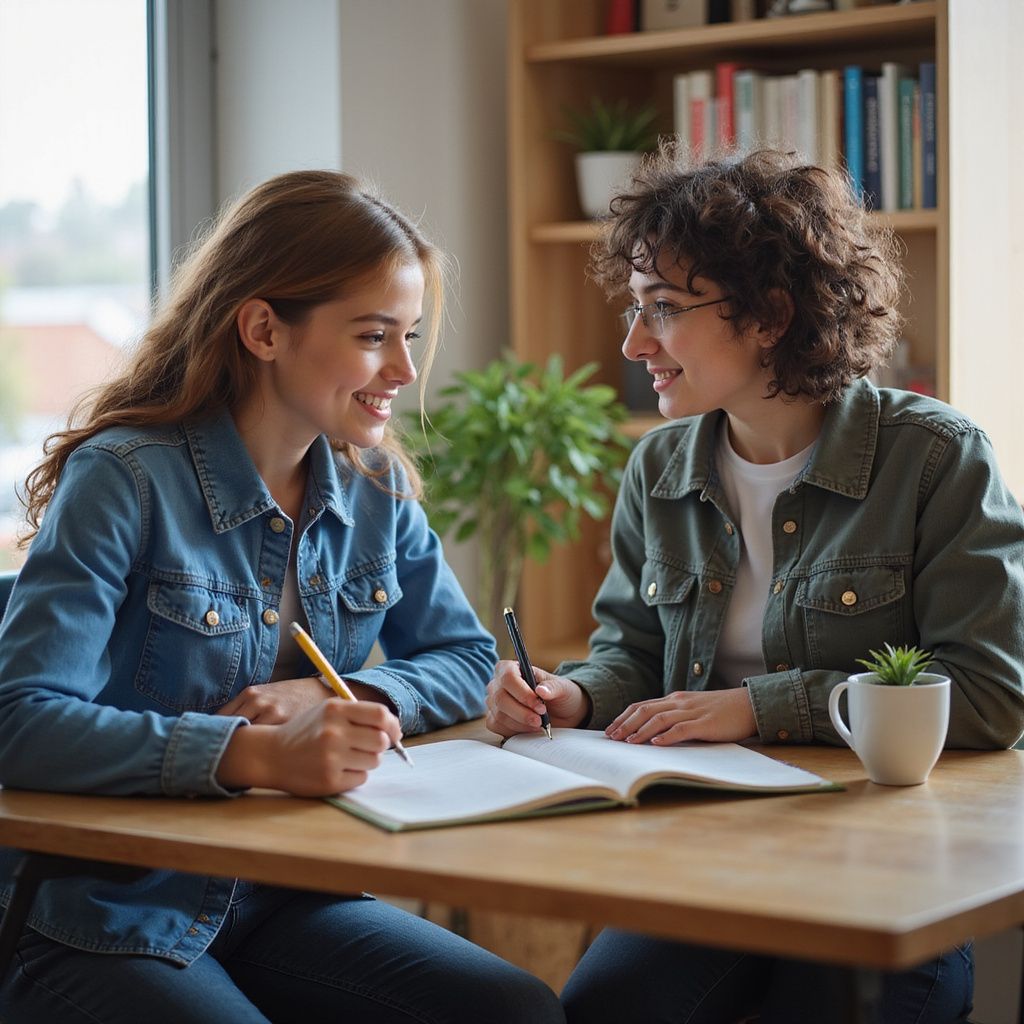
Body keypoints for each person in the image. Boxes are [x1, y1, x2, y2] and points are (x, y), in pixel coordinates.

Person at [0, 170, 565, 1024]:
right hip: (102, 915)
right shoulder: (122, 480)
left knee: (511, 1008)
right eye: (375, 335)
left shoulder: (374, 486)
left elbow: (465, 656)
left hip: (285, 892)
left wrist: (349, 693)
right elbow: (19, 722)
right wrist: (252, 754)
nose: (406, 369)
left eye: (409, 335)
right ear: (264, 328)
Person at [485, 146, 1024, 1024]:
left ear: (771, 314)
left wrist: (760, 708)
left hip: (888, 872)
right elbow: (634, 654)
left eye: (664, 309)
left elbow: (992, 699)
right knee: (603, 1008)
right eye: (635, 307)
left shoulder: (936, 457)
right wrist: (574, 696)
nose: (632, 343)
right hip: (712, 860)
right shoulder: (658, 466)